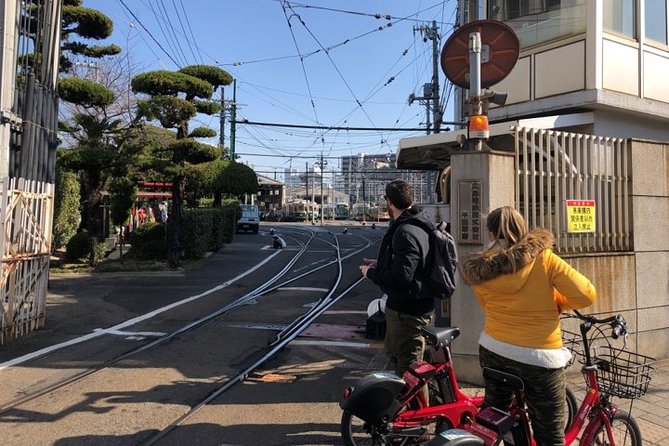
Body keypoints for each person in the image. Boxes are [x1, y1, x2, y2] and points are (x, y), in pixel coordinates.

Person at [458, 206, 597, 446]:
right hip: (539, 358)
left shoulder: (480, 270)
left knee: (494, 419)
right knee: (549, 436)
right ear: (523, 230)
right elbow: (586, 295)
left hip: (494, 350)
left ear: (491, 234)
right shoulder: (544, 258)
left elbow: (487, 306)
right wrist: (557, 304)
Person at [359, 179, 435, 376]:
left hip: (408, 312)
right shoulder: (419, 222)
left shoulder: (405, 231)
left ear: (389, 202)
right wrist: (381, 264)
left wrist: (371, 273)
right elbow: (412, 264)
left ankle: (418, 407)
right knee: (397, 359)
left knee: (409, 369)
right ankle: (408, 405)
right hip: (406, 307)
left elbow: (401, 277)